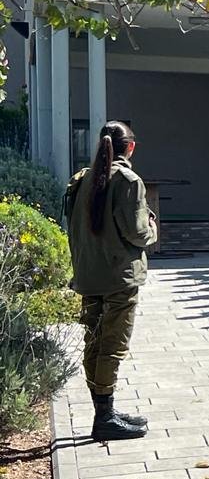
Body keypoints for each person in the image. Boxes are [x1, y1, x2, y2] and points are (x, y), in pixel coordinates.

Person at [65, 120, 159, 441]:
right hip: (119, 276)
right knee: (112, 345)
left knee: (94, 339)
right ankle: (104, 416)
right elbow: (138, 233)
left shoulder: (81, 180)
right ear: (130, 147)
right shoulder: (129, 181)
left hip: (89, 274)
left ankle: (103, 410)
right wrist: (152, 224)